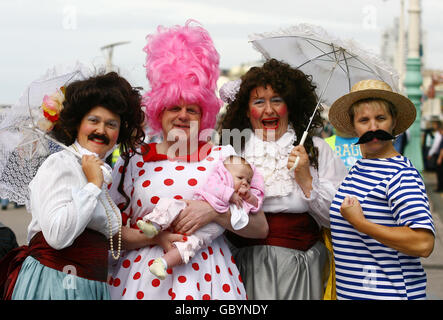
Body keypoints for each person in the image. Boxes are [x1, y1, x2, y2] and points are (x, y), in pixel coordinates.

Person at [107, 21, 268, 300]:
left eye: (192, 109)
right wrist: (154, 237)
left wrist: (215, 212)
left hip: (210, 283)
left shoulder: (225, 159)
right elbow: (110, 236)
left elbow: (260, 228)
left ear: (203, 114)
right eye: (174, 107)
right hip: (142, 281)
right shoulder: (133, 161)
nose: (182, 115)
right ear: (159, 110)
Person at [0, 71, 146, 300]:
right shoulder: (60, 164)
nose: (101, 130)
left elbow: (110, 238)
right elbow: (58, 236)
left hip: (89, 286)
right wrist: (92, 186)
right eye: (93, 121)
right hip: (56, 284)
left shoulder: (97, 172)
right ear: (78, 124)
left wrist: (158, 236)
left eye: (111, 124)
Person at [218, 58, 348, 300]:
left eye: (277, 100)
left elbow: (341, 217)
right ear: (247, 111)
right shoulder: (231, 154)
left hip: (302, 268)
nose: (269, 110)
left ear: (290, 105)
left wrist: (307, 180)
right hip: (243, 266)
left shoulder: (317, 150)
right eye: (259, 102)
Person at [328, 79, 435, 300]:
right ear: (353, 126)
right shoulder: (358, 168)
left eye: (381, 118)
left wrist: (361, 223)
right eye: (364, 120)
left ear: (393, 122)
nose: (373, 128)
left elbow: (423, 243)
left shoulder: (400, 174)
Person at [137, 155, 264, 280]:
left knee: (189, 246)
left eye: (248, 181)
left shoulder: (242, 198)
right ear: (226, 175)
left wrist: (250, 197)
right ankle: (154, 225)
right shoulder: (219, 182)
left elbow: (254, 208)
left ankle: (162, 264)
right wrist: (229, 195)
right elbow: (212, 187)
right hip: (192, 208)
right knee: (171, 204)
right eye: (240, 178)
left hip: (211, 228)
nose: (244, 183)